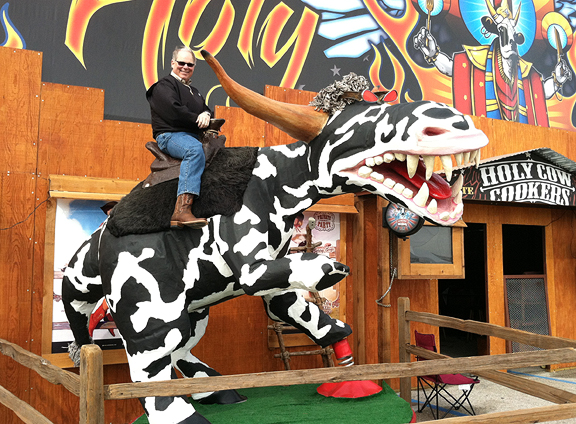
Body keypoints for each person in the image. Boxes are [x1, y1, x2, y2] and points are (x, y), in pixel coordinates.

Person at [146, 46, 211, 229]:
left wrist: (206, 113)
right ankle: (182, 210)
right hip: (170, 135)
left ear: (194, 67)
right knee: (194, 150)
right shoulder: (163, 86)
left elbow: (205, 108)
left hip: (192, 135)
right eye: (181, 63)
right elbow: (173, 111)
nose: (185, 67)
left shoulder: (195, 92)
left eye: (189, 64)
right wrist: (197, 118)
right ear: (173, 63)